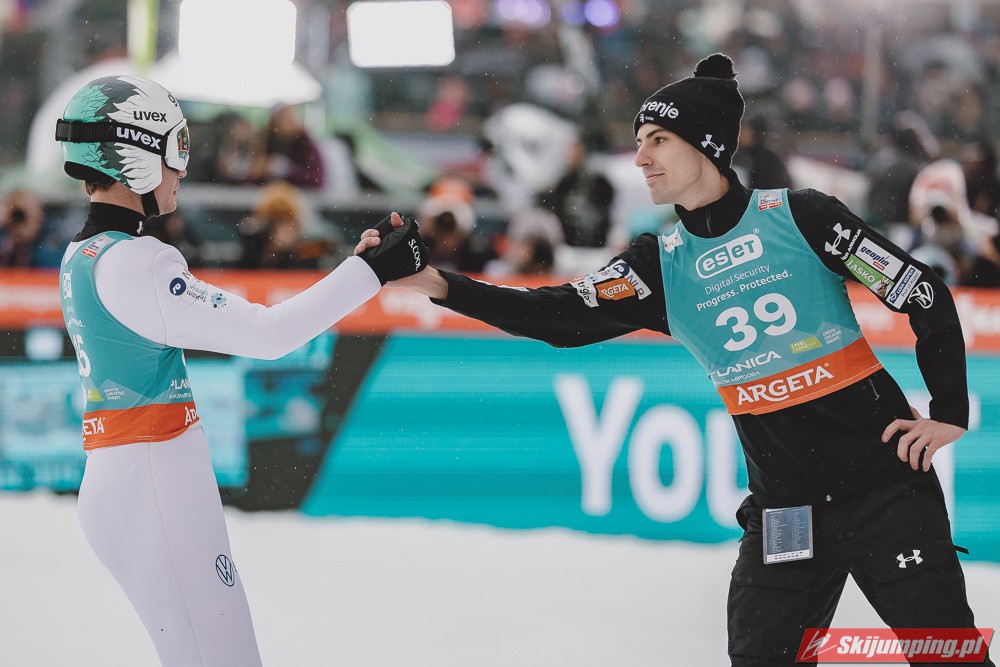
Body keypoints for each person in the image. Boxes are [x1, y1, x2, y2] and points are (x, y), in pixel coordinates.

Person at [359, 54, 994, 666]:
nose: (641, 157)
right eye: (640, 142)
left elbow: (920, 290)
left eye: (658, 140)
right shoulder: (657, 266)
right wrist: (433, 283)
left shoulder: (803, 217)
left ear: (707, 146)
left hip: (887, 493)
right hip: (786, 515)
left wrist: (948, 409)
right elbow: (553, 317)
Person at [55, 75, 427, 667]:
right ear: (134, 154)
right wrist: (371, 272)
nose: (182, 168)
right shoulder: (140, 262)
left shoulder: (83, 254)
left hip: (128, 476)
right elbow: (267, 335)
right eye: (175, 148)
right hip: (156, 480)